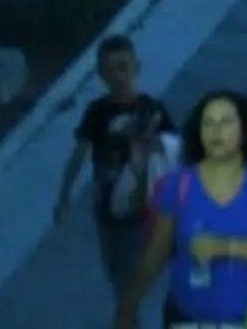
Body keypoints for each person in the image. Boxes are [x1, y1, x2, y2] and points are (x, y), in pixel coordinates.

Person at [117, 88, 247, 329]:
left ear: (245, 132)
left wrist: (224, 247)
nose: (216, 132)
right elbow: (157, 252)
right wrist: (128, 304)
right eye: (208, 124)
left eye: (226, 123)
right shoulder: (178, 183)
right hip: (187, 319)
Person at [56, 34, 175, 306]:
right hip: (105, 212)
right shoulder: (97, 112)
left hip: (139, 214)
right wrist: (63, 196)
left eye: (123, 67)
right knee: (113, 271)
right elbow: (79, 153)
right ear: (101, 74)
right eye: (110, 70)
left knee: (126, 282)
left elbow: (174, 154)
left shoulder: (153, 110)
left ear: (137, 67)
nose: (118, 76)